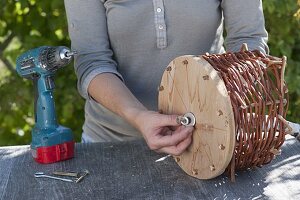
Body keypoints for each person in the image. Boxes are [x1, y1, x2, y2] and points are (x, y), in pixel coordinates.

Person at [64, 0, 268, 155]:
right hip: (111, 142)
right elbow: (92, 60)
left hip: (210, 138)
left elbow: (248, 39)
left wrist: (230, 103)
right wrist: (138, 116)